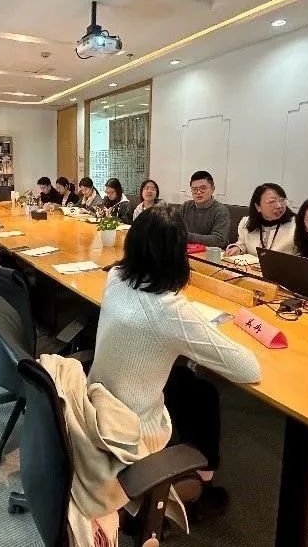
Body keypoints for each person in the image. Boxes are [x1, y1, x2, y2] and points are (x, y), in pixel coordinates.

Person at [87, 207, 261, 519]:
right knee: (203, 393)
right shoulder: (169, 309)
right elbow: (248, 368)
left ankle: (193, 470)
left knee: (189, 385)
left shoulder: (115, 277)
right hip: (132, 428)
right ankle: (200, 488)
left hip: (97, 401)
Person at [225, 183, 297, 257]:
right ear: (258, 207)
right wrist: (238, 248)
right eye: (272, 202)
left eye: (282, 200)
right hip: (252, 265)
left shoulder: (296, 225)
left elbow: (302, 256)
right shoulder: (246, 222)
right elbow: (242, 244)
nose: (279, 206)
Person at [181, 171, 230, 248]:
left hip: (212, 253)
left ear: (213, 189)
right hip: (188, 250)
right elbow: (175, 229)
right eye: (194, 189)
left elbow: (218, 240)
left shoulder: (221, 210)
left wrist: (186, 236)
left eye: (203, 188)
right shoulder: (186, 206)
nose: (198, 192)